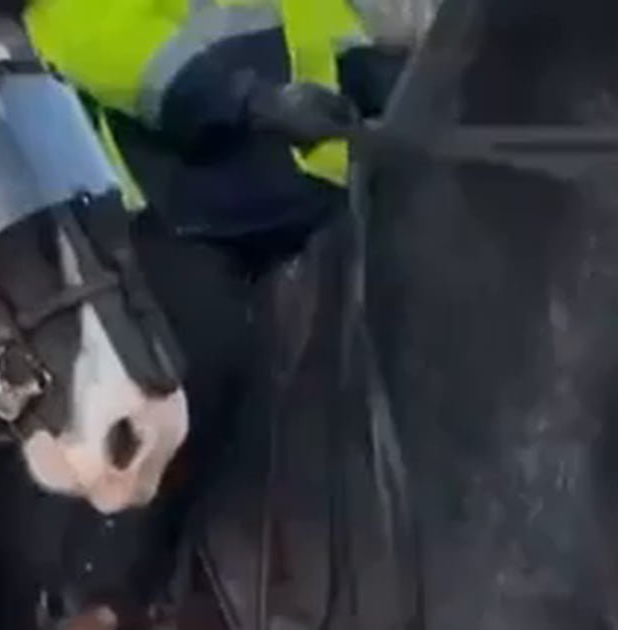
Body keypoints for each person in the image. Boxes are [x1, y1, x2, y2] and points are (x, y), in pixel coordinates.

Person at [23, 0, 413, 617]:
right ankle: (100, 592)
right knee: (199, 350)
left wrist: (383, 77)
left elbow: (318, 30)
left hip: (301, 196)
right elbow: (86, 33)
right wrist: (244, 99)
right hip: (169, 209)